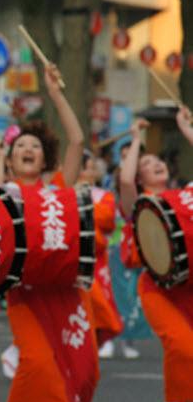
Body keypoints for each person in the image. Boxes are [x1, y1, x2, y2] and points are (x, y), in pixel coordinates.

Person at [0, 64, 96, 402]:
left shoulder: (59, 187)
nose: (27, 149)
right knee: (37, 364)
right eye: (20, 145)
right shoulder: (1, 194)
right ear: (11, 154)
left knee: (85, 368)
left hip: (69, 293)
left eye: (34, 147)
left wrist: (56, 93)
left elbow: (77, 139)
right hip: (27, 294)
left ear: (45, 157)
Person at [119, 111, 193, 402]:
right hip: (159, 290)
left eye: (157, 160)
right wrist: (135, 139)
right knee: (183, 346)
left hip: (190, 288)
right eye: (147, 164)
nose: (156, 165)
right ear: (141, 176)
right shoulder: (140, 205)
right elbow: (124, 181)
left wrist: (186, 129)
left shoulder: (186, 194)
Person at [76, 151, 123, 359]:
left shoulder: (104, 195)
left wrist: (84, 207)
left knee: (100, 302)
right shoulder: (64, 191)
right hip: (74, 257)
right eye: (84, 167)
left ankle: (99, 337)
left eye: (89, 167)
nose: (87, 171)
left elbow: (107, 220)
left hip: (97, 257)